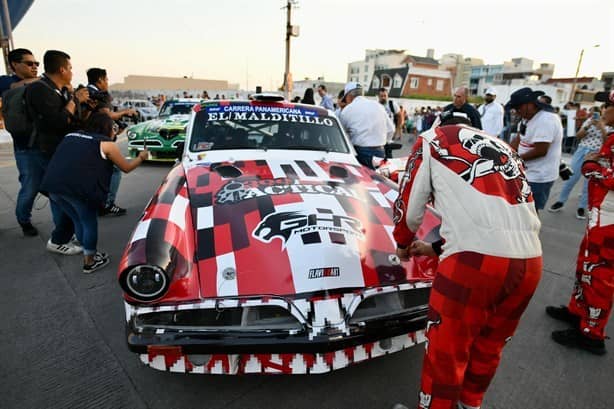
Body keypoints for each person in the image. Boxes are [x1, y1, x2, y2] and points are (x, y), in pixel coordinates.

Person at [392, 111, 542, 409]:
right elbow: (495, 217)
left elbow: (410, 209)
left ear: (442, 124)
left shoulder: (432, 139)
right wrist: (434, 249)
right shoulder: (504, 147)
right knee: (490, 345)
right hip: (530, 259)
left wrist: (403, 244)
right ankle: (470, 404)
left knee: (447, 350)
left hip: (474, 264)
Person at [546, 90, 614, 355]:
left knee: (600, 273)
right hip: (601, 214)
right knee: (586, 266)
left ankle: (591, 333)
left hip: (609, 220)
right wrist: (594, 164)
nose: (603, 111)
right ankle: (578, 313)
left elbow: (604, 173)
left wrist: (591, 167)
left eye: (607, 106)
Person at [40, 113, 148, 273]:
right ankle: (89, 261)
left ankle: (87, 251)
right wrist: (141, 157)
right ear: (107, 128)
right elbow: (126, 167)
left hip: (54, 187)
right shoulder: (107, 145)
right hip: (78, 191)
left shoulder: (71, 135)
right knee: (89, 222)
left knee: (77, 220)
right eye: (113, 127)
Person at [25, 50, 90, 255]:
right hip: (46, 152)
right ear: (62, 69)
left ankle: (63, 234)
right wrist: (74, 99)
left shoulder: (58, 89)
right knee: (63, 197)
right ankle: (57, 240)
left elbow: (72, 120)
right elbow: (58, 121)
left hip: (59, 152)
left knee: (62, 197)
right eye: (70, 68)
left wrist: (75, 100)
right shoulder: (39, 89)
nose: (71, 72)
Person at [86, 67, 137, 216]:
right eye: (106, 79)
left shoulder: (84, 92)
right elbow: (107, 114)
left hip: (87, 139)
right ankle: (107, 203)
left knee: (98, 172)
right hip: (99, 141)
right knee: (115, 170)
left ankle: (97, 202)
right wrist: (126, 112)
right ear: (100, 79)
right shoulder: (100, 95)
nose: (107, 82)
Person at [1, 48, 40, 236]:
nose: (34, 67)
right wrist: (45, 80)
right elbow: (14, 88)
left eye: (36, 64)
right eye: (29, 63)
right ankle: (24, 220)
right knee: (30, 186)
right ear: (14, 65)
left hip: (46, 143)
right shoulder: (6, 81)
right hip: (25, 147)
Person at [548, 105, 612, 218]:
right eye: (604, 109)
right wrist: (588, 126)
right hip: (582, 150)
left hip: (596, 154)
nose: (605, 112)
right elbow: (578, 136)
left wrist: (601, 127)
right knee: (571, 177)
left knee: (589, 182)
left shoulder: (610, 125)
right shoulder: (590, 120)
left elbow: (607, 141)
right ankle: (560, 201)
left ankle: (582, 207)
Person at [507, 87, 563, 212]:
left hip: (539, 177)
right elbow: (518, 138)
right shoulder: (526, 117)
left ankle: (531, 232)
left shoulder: (546, 120)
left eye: (518, 108)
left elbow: (541, 151)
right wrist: (505, 151)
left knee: (531, 211)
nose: (516, 112)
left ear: (529, 105)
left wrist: (514, 159)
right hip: (526, 171)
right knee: (519, 208)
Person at [338, 82, 393, 168]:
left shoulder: (347, 110)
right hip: (380, 152)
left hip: (360, 153)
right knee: (377, 180)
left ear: (349, 96)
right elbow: (391, 130)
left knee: (362, 180)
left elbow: (341, 135)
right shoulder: (378, 106)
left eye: (345, 99)